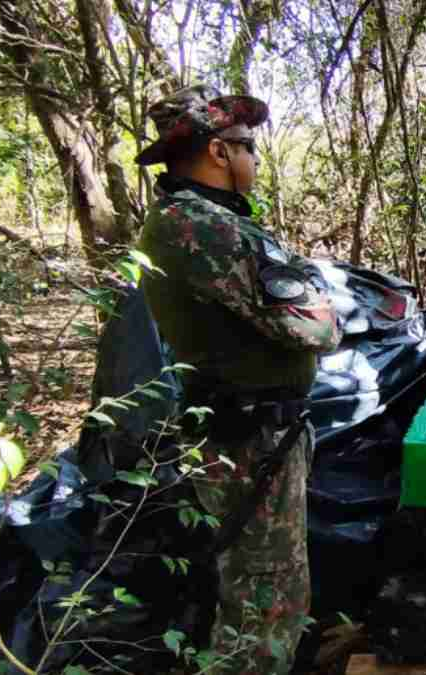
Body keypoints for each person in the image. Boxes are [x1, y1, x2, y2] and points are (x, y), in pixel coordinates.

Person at [135, 84, 342, 673]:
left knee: (268, 592)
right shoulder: (196, 226)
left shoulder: (208, 220)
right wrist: (316, 297)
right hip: (245, 439)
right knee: (262, 607)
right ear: (217, 152)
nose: (254, 157)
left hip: (257, 435)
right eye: (247, 145)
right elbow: (316, 327)